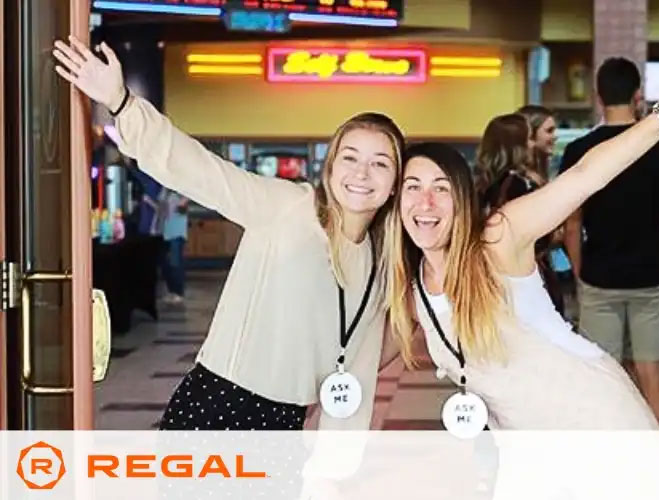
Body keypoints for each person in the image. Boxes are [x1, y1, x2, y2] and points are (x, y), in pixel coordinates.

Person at [53, 36, 402, 431]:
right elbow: (200, 171)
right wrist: (121, 103)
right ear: (331, 167)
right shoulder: (287, 205)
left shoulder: (380, 260)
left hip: (287, 421)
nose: (361, 173)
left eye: (380, 163)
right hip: (219, 404)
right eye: (350, 158)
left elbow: (362, 358)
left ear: (394, 184)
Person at [385, 42, 659, 430]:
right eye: (413, 187)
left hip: (594, 421)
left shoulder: (497, 240)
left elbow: (586, 175)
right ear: (397, 201)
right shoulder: (413, 287)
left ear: (462, 199)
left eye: (441, 188)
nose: (425, 202)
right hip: (522, 445)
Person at [560, 56, 659, 430]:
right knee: (653, 371)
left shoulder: (579, 151)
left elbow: (572, 221)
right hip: (652, 273)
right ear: (638, 95)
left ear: (598, 96)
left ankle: (608, 459)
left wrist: (580, 268)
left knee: (606, 373)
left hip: (599, 274)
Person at [476, 114, 565, 315]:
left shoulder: (480, 186)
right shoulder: (523, 185)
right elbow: (544, 234)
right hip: (528, 277)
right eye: (529, 139)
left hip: (492, 278)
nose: (532, 144)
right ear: (517, 146)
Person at [158, 188, 189, 304]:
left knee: (176, 263)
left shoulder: (181, 190)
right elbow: (161, 206)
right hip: (166, 232)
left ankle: (178, 292)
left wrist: (183, 201)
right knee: (167, 264)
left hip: (177, 233)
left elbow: (183, 206)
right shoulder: (165, 191)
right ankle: (172, 291)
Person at [515, 105, 557, 176]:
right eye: (549, 131)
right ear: (530, 133)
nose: (555, 136)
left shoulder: (545, 168)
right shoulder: (517, 177)